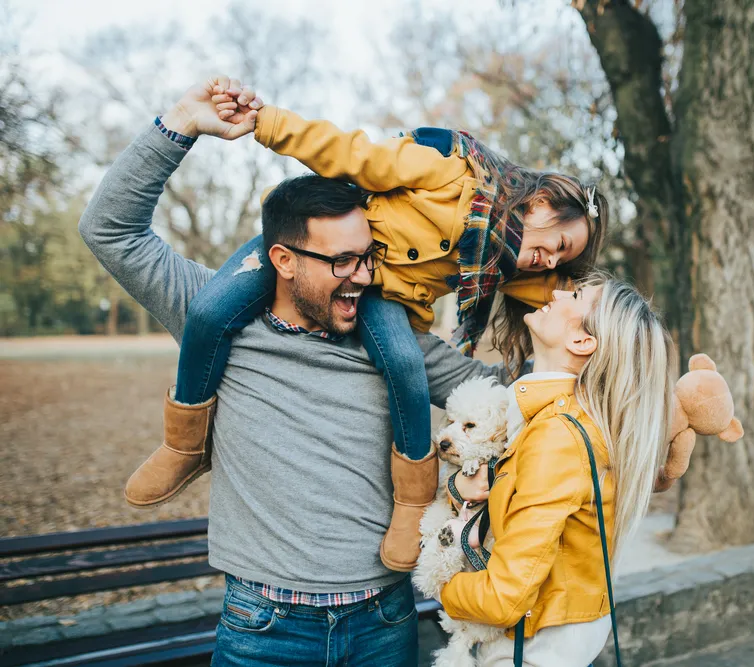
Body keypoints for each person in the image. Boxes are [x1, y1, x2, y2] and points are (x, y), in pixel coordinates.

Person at [79, 76, 502, 666]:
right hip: (263, 630)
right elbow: (109, 230)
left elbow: (509, 397)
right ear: (282, 259)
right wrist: (181, 122)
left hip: (384, 622)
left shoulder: (397, 342)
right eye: (341, 261)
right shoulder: (216, 315)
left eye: (368, 257)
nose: (363, 276)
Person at [123, 78, 610, 574]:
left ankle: (413, 502)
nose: (548, 261)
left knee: (403, 363)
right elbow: (353, 154)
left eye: (560, 260)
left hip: (379, 297)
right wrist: (266, 123)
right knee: (208, 311)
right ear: (541, 204)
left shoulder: (509, 266)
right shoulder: (448, 177)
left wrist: (629, 357)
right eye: (557, 245)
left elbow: (582, 309)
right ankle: (183, 444)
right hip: (335, 249)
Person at [439, 275, 677, 666]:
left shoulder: (556, 435)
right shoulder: (560, 419)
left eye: (577, 295)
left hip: (529, 653)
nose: (559, 292)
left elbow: (503, 599)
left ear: (582, 341)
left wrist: (441, 584)